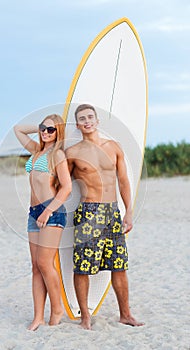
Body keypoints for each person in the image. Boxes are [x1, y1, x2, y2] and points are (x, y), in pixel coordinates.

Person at [65, 104, 144, 330]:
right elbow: (61, 183)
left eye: (90, 117)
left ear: (97, 121)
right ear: (78, 125)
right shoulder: (73, 153)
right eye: (82, 118)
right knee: (83, 266)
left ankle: (125, 314)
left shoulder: (114, 147)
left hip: (112, 211)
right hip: (88, 212)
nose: (87, 121)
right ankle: (85, 317)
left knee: (119, 265)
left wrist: (128, 211)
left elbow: (124, 181)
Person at [14, 114, 72, 331]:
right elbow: (18, 129)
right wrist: (41, 125)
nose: (45, 132)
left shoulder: (57, 154)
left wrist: (47, 211)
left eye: (51, 129)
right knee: (36, 266)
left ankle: (56, 309)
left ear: (59, 132)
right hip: (33, 212)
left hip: (51, 212)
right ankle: (38, 316)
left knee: (46, 263)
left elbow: (66, 187)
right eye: (43, 128)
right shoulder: (36, 150)